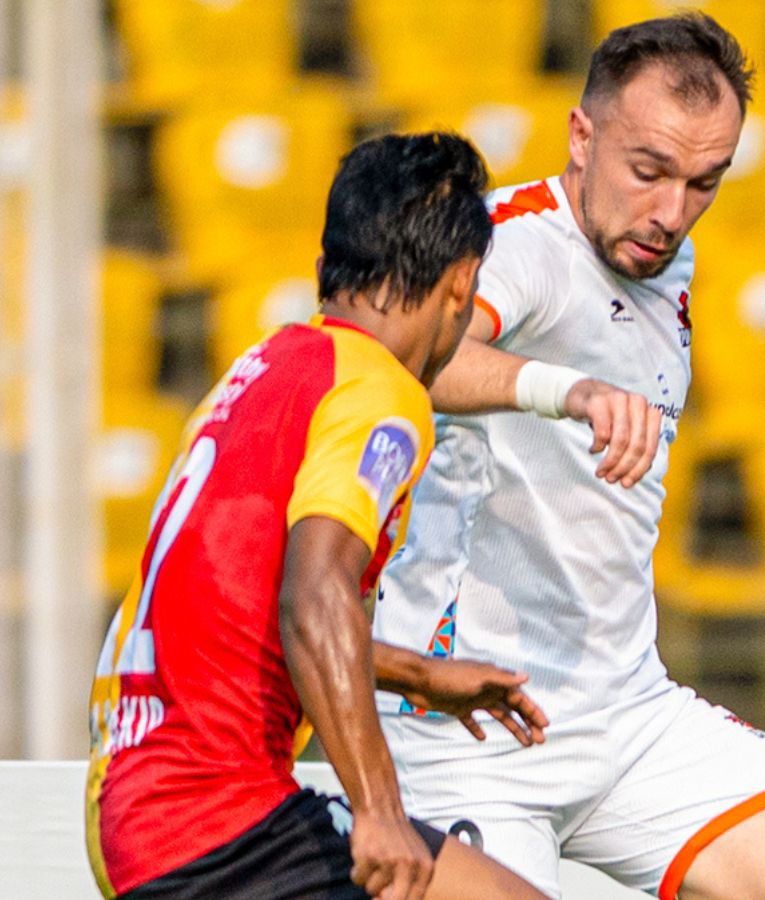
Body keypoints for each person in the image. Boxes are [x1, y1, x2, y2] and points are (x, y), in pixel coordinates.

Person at [374, 14, 765, 900]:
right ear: (581, 136)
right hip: (467, 736)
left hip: (626, 716)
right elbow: (412, 361)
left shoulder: (665, 257)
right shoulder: (514, 246)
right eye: (649, 171)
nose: (671, 212)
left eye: (704, 182)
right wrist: (567, 390)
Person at [86, 133, 547, 900]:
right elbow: (316, 591)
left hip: (137, 802)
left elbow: (243, 606)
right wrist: (378, 809)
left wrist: (418, 674)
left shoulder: (265, 368)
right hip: (214, 817)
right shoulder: (379, 392)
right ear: (463, 282)